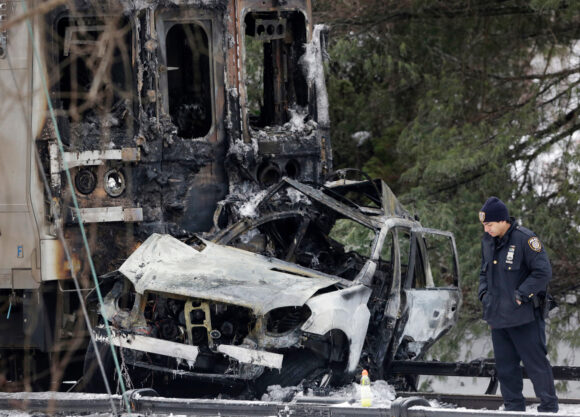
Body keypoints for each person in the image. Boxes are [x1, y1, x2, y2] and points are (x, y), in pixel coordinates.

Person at [478, 196, 558, 413]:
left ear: (502, 220)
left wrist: (521, 295)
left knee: (536, 365)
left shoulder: (525, 239)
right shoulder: (488, 241)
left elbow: (543, 272)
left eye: (489, 224)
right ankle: (513, 408)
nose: (486, 229)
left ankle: (549, 407)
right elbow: (484, 272)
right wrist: (484, 294)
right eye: (484, 225)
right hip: (497, 316)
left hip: (525, 316)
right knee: (506, 368)